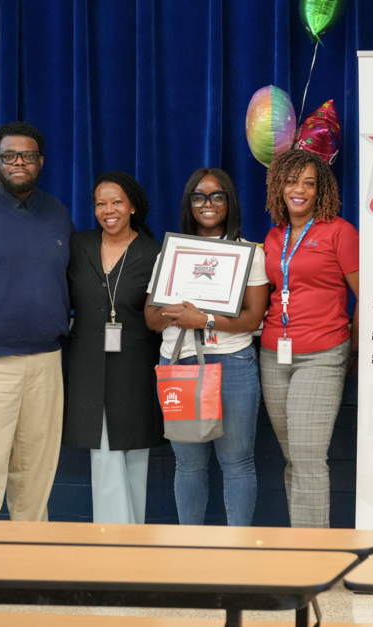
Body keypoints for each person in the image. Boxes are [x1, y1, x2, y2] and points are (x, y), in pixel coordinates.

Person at [0, 121, 74, 521]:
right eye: (10, 156)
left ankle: (32, 574)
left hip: (46, 364)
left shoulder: (57, 212)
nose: (19, 163)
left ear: (40, 161)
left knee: (36, 481)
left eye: (27, 156)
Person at [145, 168, 270, 526]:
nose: (208, 204)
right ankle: (191, 552)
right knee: (188, 463)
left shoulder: (250, 253)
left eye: (217, 196)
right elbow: (152, 320)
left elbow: (252, 318)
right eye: (199, 197)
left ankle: (236, 555)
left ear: (229, 203)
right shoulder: (171, 255)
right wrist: (177, 309)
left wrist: (205, 320)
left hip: (232, 362)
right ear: (189, 204)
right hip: (180, 363)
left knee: (237, 462)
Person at [260, 148, 359, 528]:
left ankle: (316, 553)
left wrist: (352, 348)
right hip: (274, 353)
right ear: (279, 186)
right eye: (290, 180)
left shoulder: (340, 232)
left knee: (308, 456)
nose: (298, 189)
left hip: (322, 354)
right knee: (294, 458)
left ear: (321, 190)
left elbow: (363, 295)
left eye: (309, 183)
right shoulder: (274, 235)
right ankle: (300, 546)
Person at [63, 171, 164, 524]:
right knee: (103, 451)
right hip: (87, 362)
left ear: (132, 206)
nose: (109, 210)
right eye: (100, 203)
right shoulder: (78, 246)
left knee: (134, 452)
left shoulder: (155, 253)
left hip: (136, 363)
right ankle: (115, 542)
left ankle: (128, 544)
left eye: (117, 201)